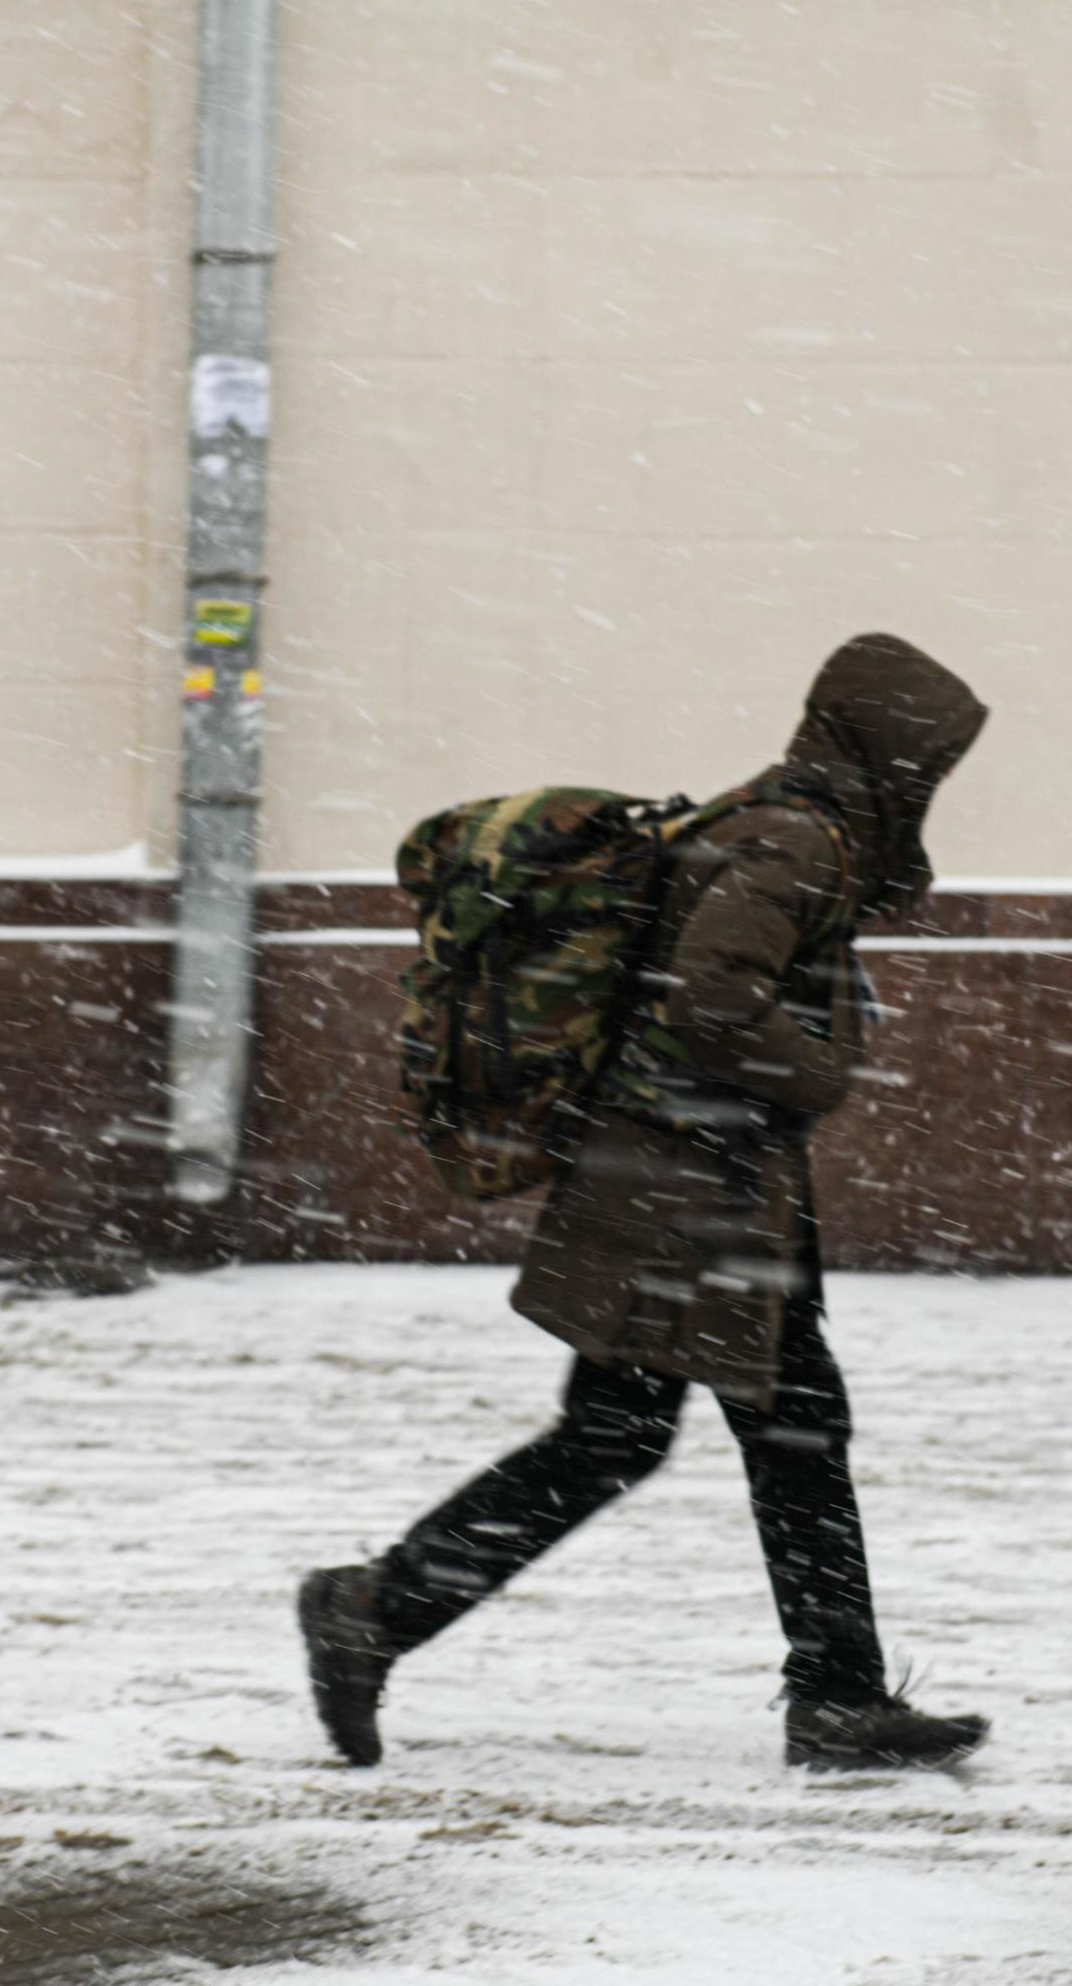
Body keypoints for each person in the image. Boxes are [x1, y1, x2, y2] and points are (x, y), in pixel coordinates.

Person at [299, 632, 992, 1771]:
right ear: (883, 746)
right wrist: (821, 1071)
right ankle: (373, 1609)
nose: (934, 780)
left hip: (700, 1173)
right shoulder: (795, 837)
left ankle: (835, 1691)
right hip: (687, 1181)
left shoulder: (786, 819)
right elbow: (709, 995)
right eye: (929, 757)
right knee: (653, 1437)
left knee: (742, 1432)